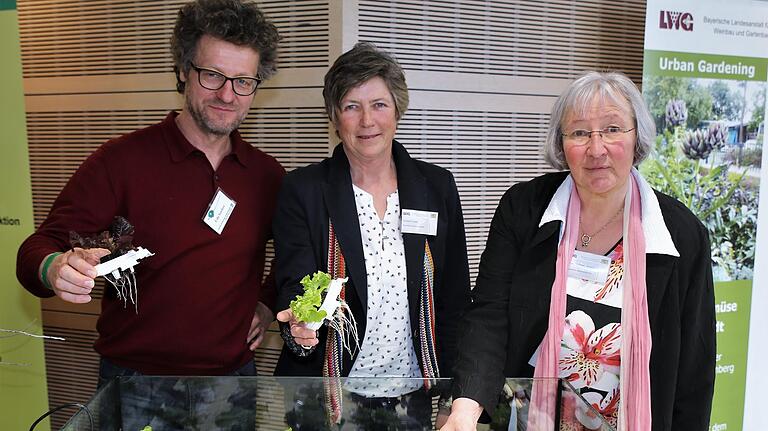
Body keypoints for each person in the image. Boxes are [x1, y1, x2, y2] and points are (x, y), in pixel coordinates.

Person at [16, 0, 283, 381]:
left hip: (232, 382)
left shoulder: (266, 174)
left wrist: (267, 303)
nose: (228, 95)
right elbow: (37, 248)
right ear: (182, 70)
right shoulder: (119, 161)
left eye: (243, 81)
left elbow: (296, 255)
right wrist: (54, 266)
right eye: (212, 75)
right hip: (134, 382)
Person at [442, 71, 715, 431]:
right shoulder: (524, 210)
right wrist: (465, 409)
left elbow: (694, 372)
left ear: (637, 138)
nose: (596, 148)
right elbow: (489, 316)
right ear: (561, 143)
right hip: (529, 419)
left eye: (613, 129)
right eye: (580, 132)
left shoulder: (681, 235)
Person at [272, 42, 471, 429]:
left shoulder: (436, 186)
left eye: (379, 104)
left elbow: (454, 301)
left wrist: (454, 395)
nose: (367, 121)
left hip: (412, 397)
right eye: (351, 106)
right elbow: (294, 286)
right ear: (334, 116)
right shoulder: (303, 190)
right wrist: (299, 326)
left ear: (398, 109)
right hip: (325, 398)